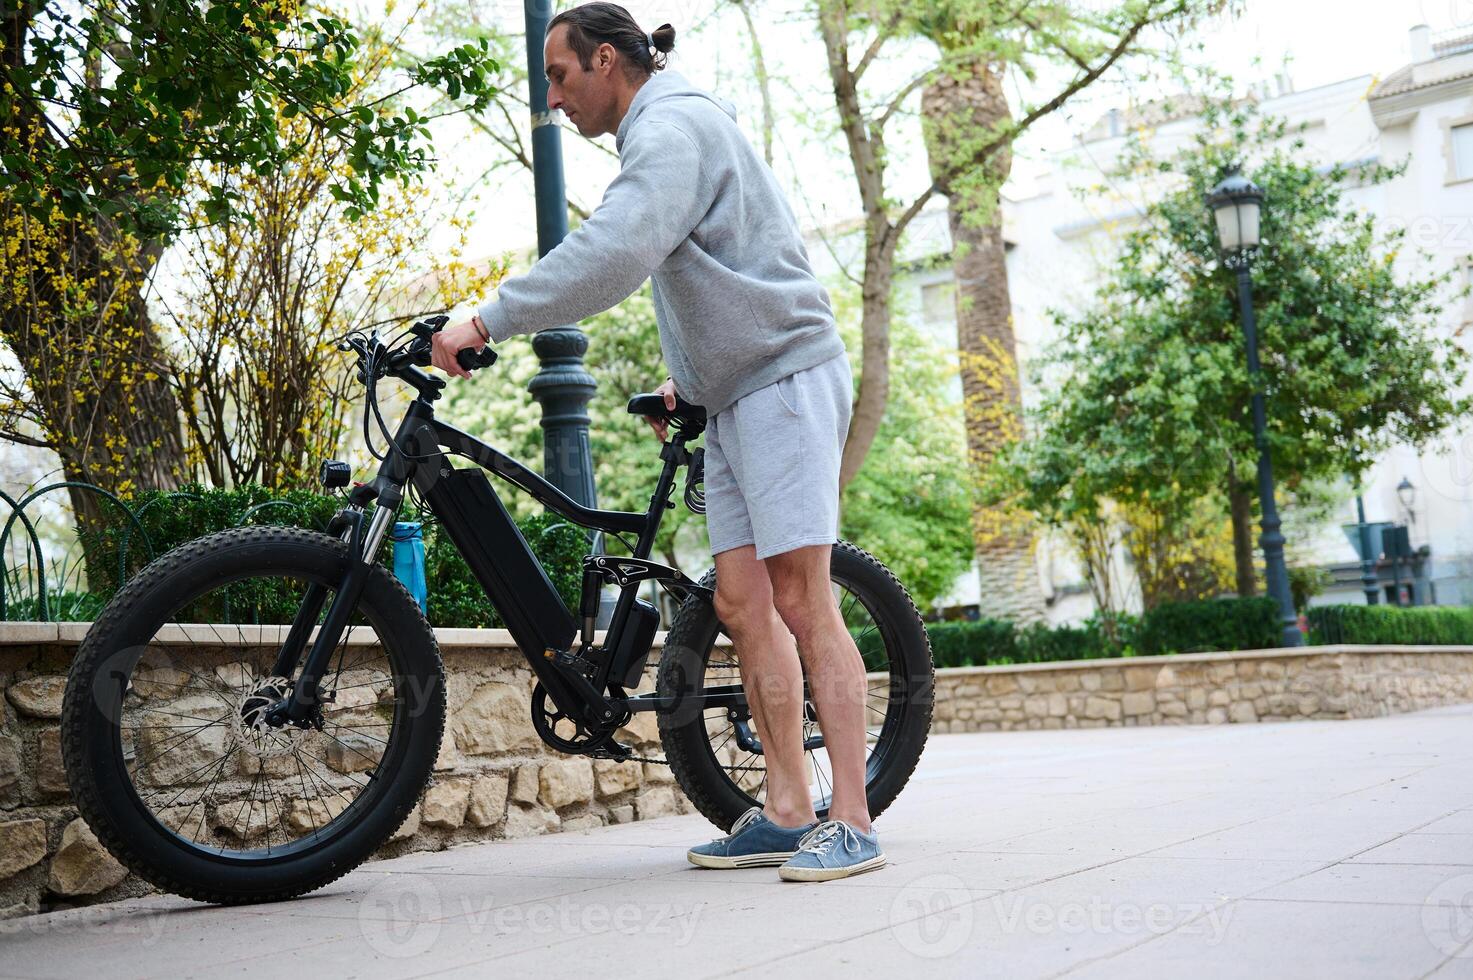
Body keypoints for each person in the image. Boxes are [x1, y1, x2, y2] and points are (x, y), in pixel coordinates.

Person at [431, 1, 883, 882]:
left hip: (784, 380)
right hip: (735, 393)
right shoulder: (672, 127)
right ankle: (789, 808)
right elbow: (719, 256)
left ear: (607, 61)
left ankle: (853, 818)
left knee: (800, 598)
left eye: (559, 78)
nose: (553, 101)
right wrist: (696, 376)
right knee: (743, 604)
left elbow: (618, 249)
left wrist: (489, 316)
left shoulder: (669, 125)